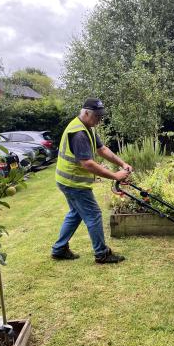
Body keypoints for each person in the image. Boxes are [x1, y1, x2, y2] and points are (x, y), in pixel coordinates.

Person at [51, 98, 132, 263]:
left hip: (67, 181)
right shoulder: (79, 133)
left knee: (75, 214)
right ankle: (102, 254)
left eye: (101, 117)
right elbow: (88, 164)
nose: (99, 120)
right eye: (97, 117)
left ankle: (59, 249)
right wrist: (115, 175)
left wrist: (122, 163)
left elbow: (102, 149)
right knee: (94, 215)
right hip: (74, 183)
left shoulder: (87, 127)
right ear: (86, 113)